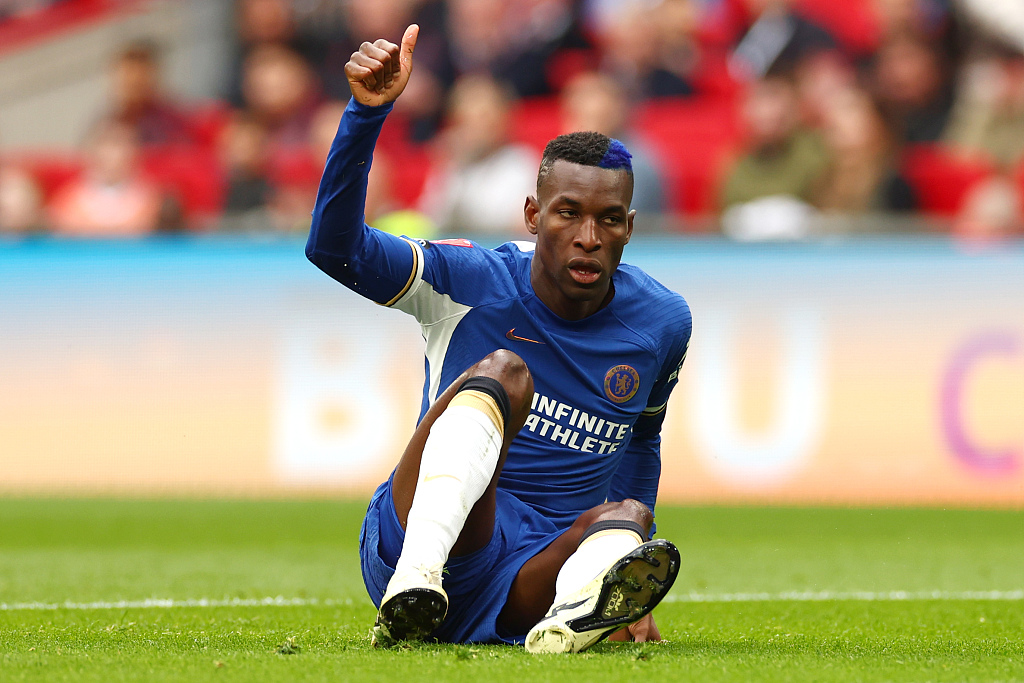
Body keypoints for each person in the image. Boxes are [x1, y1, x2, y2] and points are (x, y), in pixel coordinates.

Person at [306, 25, 691, 653]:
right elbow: (333, 249)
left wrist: (628, 576)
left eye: (608, 219)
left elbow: (641, 445)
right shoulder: (470, 278)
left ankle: (575, 619)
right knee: (506, 371)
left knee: (633, 522)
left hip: (529, 576)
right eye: (569, 213)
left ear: (630, 228)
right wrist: (365, 116)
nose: (588, 237)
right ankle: (416, 584)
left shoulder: (662, 323)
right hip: (424, 536)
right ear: (534, 215)